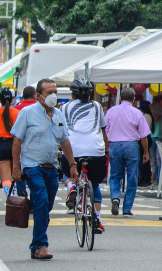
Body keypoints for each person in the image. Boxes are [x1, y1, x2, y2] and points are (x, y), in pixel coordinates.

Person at [12, 78, 78, 260]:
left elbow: (64, 141)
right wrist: (16, 168)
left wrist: (72, 165)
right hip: (32, 166)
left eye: (55, 92)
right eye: (49, 93)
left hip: (51, 168)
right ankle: (41, 245)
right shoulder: (27, 113)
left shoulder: (58, 114)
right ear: (38, 96)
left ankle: (35, 245)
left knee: (46, 207)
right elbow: (17, 141)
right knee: (40, 202)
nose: (53, 96)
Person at [60, 78, 109, 233]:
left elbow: (61, 133)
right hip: (95, 152)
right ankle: (98, 219)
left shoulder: (64, 108)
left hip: (72, 152)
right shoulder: (97, 106)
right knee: (94, 184)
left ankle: (71, 186)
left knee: (65, 170)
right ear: (90, 94)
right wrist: (105, 150)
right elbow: (103, 130)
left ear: (72, 94)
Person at [104, 88, 150, 216]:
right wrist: (146, 152)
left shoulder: (111, 111)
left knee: (115, 176)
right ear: (134, 99)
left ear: (120, 98)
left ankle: (115, 198)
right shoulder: (137, 113)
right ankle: (127, 209)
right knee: (132, 177)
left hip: (114, 145)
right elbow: (143, 136)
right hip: (131, 146)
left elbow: (104, 130)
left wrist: (106, 146)